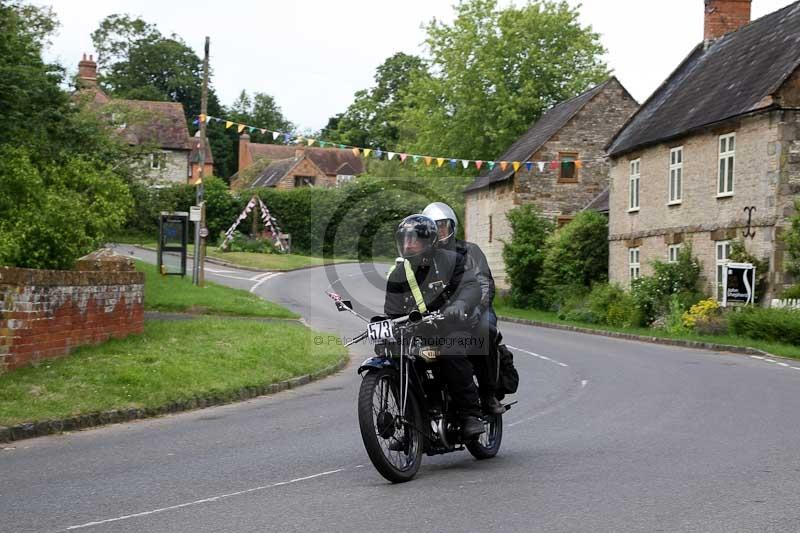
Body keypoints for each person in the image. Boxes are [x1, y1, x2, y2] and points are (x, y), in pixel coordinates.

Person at [384, 214, 486, 440]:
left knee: (451, 352)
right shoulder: (398, 274)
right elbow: (392, 311)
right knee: (397, 360)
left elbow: (471, 286)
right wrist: (387, 326)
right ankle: (411, 424)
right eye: (404, 239)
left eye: (414, 239)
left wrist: (459, 304)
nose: (408, 244)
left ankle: (471, 415)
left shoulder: (451, 260)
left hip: (453, 326)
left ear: (429, 241)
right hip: (420, 333)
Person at [421, 202, 504, 415]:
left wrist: (476, 308)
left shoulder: (469, 250)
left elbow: (484, 283)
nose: (439, 231)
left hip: (477, 308)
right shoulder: (425, 256)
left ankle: (488, 394)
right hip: (441, 314)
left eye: (443, 225)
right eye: (433, 227)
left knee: (485, 332)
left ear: (452, 226)